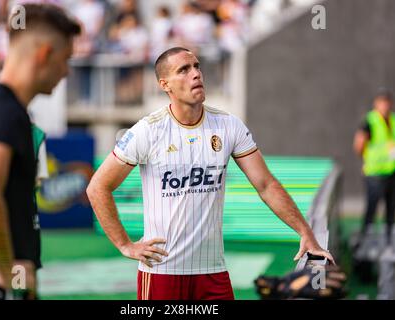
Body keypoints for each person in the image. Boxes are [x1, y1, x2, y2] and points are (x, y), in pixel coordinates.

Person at [86, 47, 334, 300]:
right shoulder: (147, 131)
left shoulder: (228, 125)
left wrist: (305, 233)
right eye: (183, 70)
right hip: (162, 273)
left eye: (196, 66)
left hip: (213, 272)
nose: (195, 74)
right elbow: (97, 187)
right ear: (165, 84)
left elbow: (266, 185)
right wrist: (125, 245)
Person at [0, 3, 80, 300]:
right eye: (65, 59)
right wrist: (7, 270)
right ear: (45, 53)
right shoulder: (5, 112)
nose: (66, 71)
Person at [353, 88, 395, 245]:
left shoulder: (392, 120)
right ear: (376, 104)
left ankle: (389, 240)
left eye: (387, 103)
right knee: (372, 208)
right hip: (375, 174)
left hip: (391, 172)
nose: (385, 106)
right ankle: (366, 240)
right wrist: (367, 159)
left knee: (391, 209)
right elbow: (359, 144)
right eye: (381, 103)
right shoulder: (370, 121)